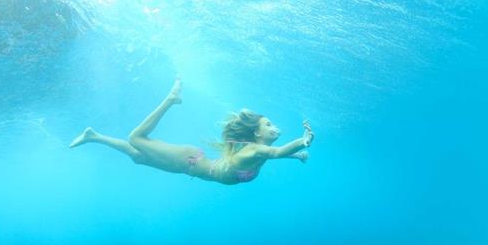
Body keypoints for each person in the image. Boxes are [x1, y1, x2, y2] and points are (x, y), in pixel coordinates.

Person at [69, 77, 314, 185]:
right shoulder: (255, 150)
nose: (275, 127)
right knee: (136, 139)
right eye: (268, 125)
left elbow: (273, 154)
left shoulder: (259, 150)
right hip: (188, 160)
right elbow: (277, 152)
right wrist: (303, 142)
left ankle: (94, 136)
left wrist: (297, 156)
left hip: (190, 166)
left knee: (138, 157)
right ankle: (171, 99)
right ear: (257, 134)